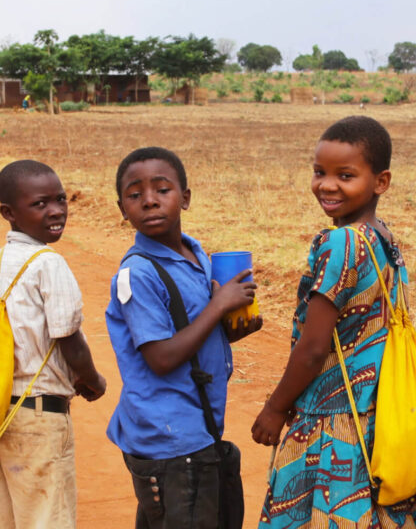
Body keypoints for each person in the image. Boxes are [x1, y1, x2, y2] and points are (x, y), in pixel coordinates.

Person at [251, 116, 416, 528]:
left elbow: (314, 347)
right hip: (374, 417)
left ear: (381, 181)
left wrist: (275, 408)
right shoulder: (382, 238)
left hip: (332, 424)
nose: (327, 185)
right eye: (320, 172)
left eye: (345, 175)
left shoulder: (342, 242)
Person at [106, 146, 262, 529]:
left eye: (162, 189)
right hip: (169, 435)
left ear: (186, 198)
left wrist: (232, 326)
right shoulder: (137, 274)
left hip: (196, 427)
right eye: (135, 194)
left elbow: (194, 332)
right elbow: (160, 358)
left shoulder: (196, 256)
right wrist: (218, 305)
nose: (149, 201)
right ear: (122, 209)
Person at [0, 160, 106, 529]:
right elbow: (68, 336)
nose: (56, 210)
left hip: (4, 412)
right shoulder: (48, 263)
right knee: (47, 519)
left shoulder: (4, 261)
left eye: (60, 199)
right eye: (40, 203)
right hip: (40, 418)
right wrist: (92, 379)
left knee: (11, 517)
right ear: (8, 212)